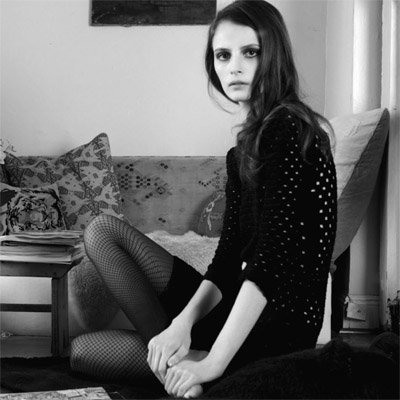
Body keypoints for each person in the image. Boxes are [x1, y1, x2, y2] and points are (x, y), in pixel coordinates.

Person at [70, 1, 337, 398]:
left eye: (250, 52)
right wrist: (180, 325)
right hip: (231, 309)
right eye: (223, 55)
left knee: (93, 352)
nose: (234, 67)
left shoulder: (291, 130)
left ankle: (203, 373)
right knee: (100, 243)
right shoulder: (242, 152)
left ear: (274, 55)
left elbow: (267, 266)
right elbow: (228, 260)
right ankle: (178, 366)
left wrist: (213, 362)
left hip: (272, 330)